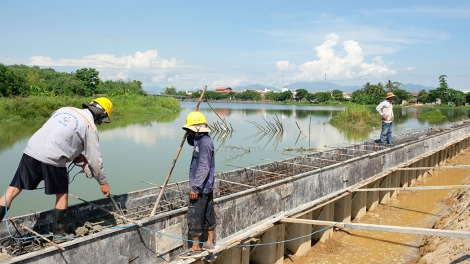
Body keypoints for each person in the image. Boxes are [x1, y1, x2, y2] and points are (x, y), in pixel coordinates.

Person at [0, 97, 113, 241]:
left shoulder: (64, 109)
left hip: (31, 151)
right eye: (101, 120)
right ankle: (59, 235)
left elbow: (58, 132)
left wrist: (75, 154)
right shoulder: (90, 127)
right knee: (62, 195)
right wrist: (103, 182)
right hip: (53, 159)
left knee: (13, 189)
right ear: (101, 115)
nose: (99, 123)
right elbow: (95, 161)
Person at [179, 111, 216, 259]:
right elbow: (191, 142)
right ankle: (209, 242)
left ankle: (195, 247)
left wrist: (195, 187)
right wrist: (189, 132)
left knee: (195, 215)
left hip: (201, 187)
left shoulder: (205, 142)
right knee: (208, 214)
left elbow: (204, 167)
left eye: (191, 130)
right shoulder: (199, 139)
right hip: (206, 186)